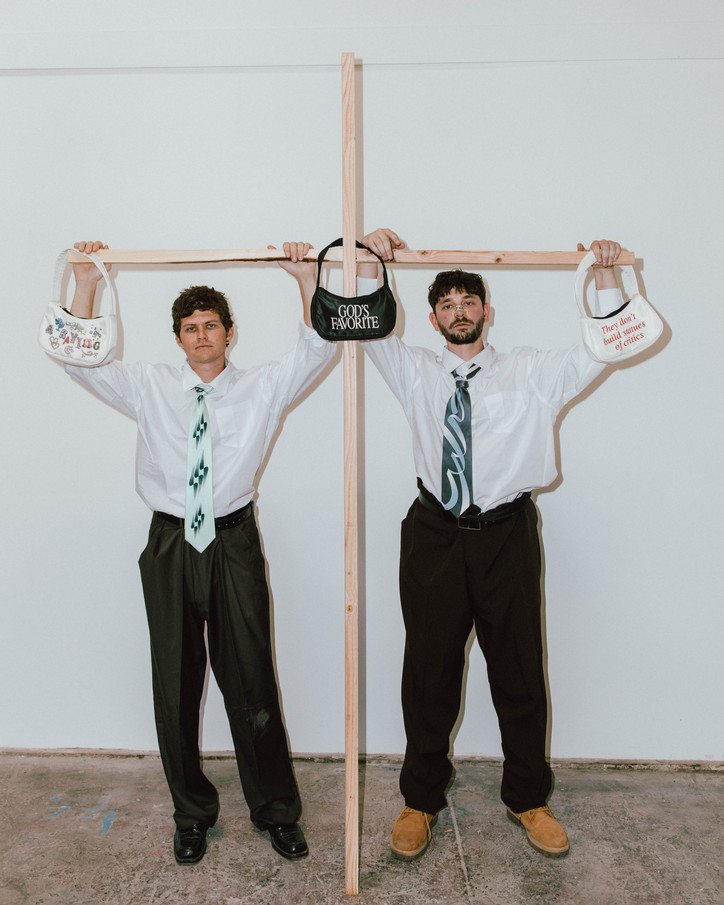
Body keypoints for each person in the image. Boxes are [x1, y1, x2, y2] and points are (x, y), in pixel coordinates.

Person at [63, 240, 334, 865]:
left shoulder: (261, 386)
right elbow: (79, 362)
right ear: (179, 339)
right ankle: (191, 814)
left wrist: (303, 278)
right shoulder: (147, 384)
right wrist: (86, 283)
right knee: (176, 685)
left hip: (233, 540)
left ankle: (276, 811)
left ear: (229, 333)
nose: (202, 335)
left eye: (211, 325)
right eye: (191, 328)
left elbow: (317, 348)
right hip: (169, 542)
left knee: (252, 680)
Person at [357, 228, 624, 861]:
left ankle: (528, 798)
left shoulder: (533, 371)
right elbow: (366, 325)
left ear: (486, 311)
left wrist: (606, 275)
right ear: (432, 318)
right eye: (447, 304)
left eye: (468, 301)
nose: (459, 311)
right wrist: (367, 259)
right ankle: (421, 800)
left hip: (506, 533)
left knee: (518, 670)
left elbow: (606, 345)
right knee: (429, 672)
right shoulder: (414, 369)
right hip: (433, 534)